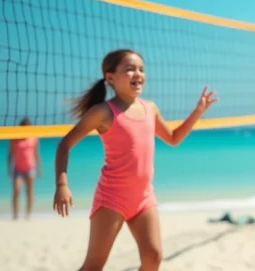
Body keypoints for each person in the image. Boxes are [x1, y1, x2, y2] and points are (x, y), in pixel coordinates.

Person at [52, 49, 218, 271]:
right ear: (110, 78)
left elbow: (173, 138)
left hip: (143, 198)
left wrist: (197, 112)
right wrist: (62, 185)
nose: (137, 74)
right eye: (130, 69)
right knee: (94, 265)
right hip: (112, 198)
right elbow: (64, 145)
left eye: (141, 69)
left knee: (154, 257)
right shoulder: (103, 112)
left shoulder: (150, 108)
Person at [7, 117, 42, 220]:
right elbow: (10, 154)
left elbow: (36, 154)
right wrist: (9, 168)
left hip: (30, 168)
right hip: (17, 169)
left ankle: (28, 214)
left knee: (29, 192)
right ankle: (15, 214)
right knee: (17, 190)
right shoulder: (14, 138)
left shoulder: (33, 137)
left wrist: (39, 169)